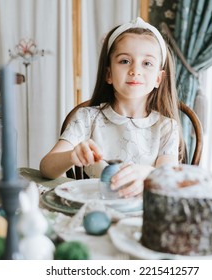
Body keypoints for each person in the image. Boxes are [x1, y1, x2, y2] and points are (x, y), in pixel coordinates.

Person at [40, 17, 184, 198]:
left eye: (147, 63)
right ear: (108, 74)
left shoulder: (166, 127)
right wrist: (71, 156)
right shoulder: (87, 118)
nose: (135, 70)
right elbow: (46, 168)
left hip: (142, 215)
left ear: (158, 79)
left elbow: (169, 178)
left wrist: (148, 174)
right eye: (125, 61)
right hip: (94, 209)